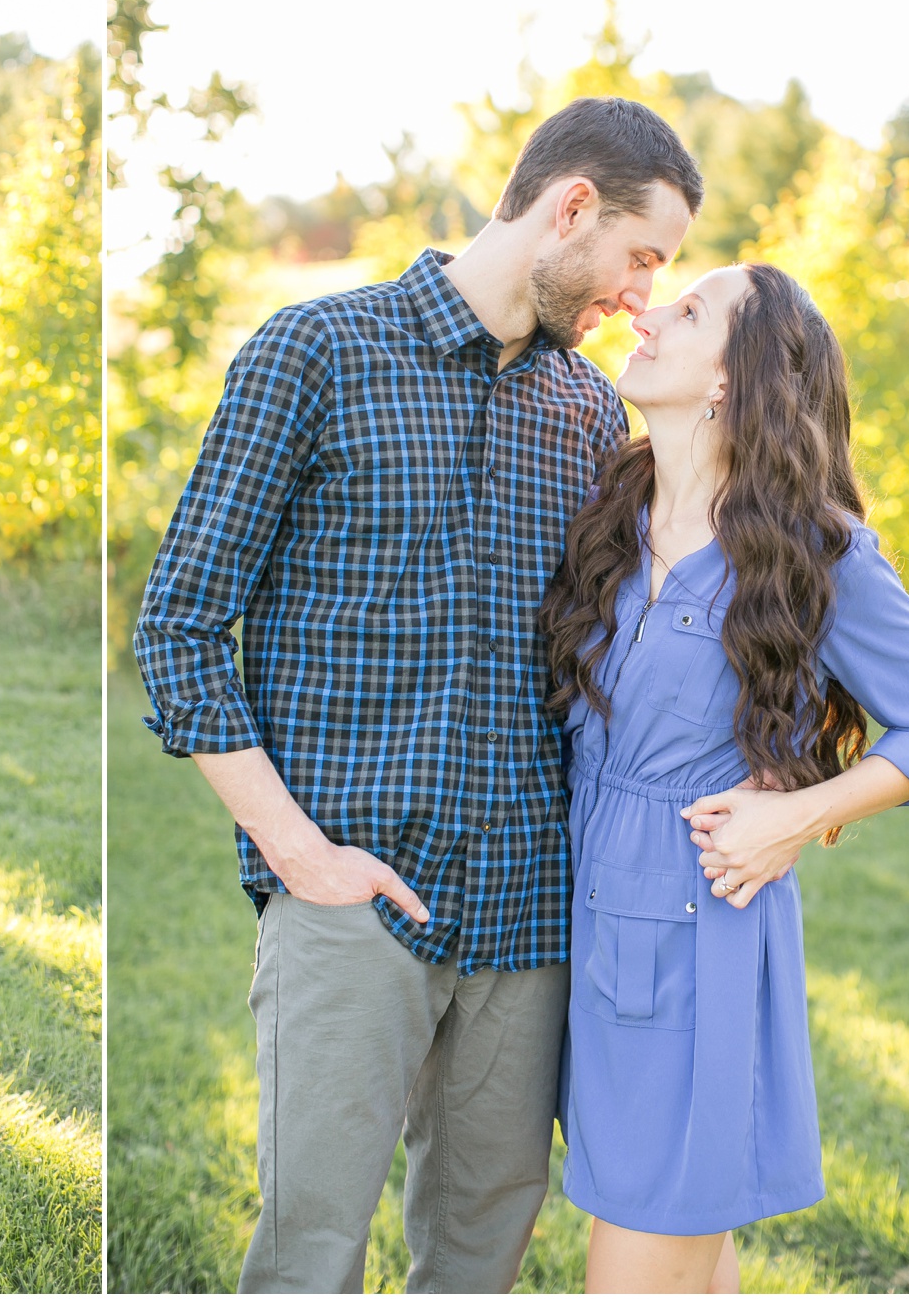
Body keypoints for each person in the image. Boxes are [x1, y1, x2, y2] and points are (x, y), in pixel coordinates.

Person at [135, 97, 704, 1293]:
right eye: (639, 256)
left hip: (528, 915)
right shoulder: (315, 350)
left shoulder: (590, 411)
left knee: (479, 1246)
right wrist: (297, 854)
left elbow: (645, 646)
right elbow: (177, 626)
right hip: (348, 889)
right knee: (308, 1247)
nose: (639, 295)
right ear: (570, 207)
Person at [540, 261, 909, 1294]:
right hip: (585, 932)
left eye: (687, 309)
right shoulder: (612, 512)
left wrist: (799, 813)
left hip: (696, 943)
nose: (646, 313)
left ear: (728, 383)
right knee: (689, 1259)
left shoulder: (813, 553)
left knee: (638, 1258)